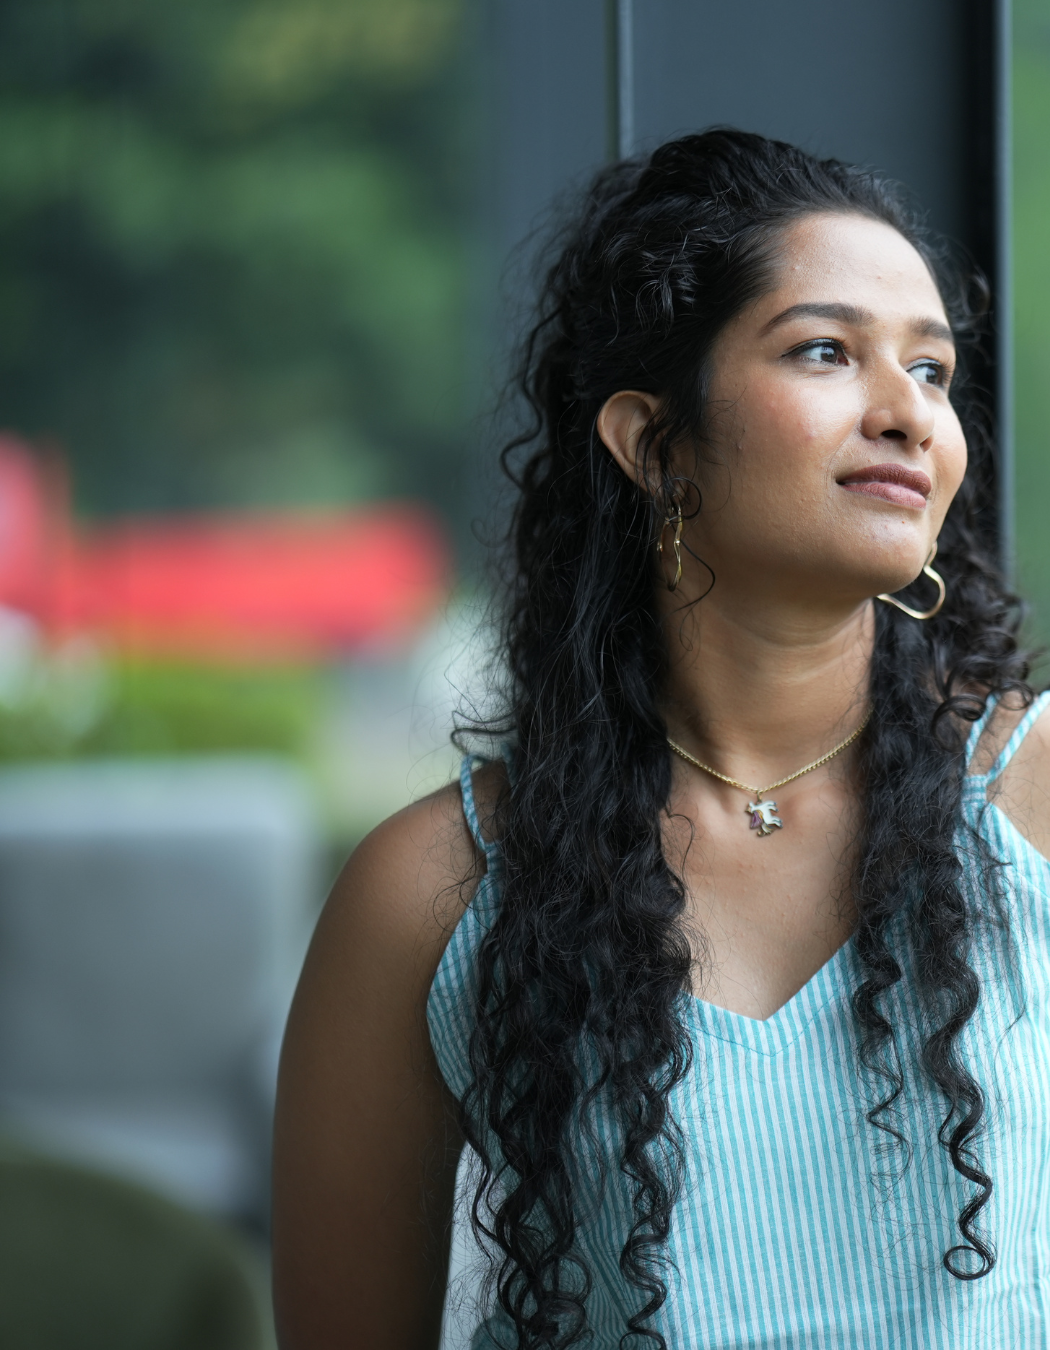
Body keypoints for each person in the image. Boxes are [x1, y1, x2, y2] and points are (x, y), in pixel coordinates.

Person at [271, 129, 1050, 1349]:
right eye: (828, 352)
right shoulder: (434, 891)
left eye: (937, 372)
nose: (909, 414)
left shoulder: (1033, 804)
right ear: (652, 441)